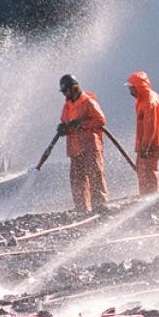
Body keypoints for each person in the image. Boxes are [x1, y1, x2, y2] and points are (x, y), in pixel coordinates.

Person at [57, 74, 108, 213]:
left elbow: (100, 120)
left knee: (95, 175)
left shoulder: (88, 102)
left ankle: (100, 206)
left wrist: (82, 124)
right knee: (77, 179)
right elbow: (66, 123)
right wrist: (62, 128)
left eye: (66, 91)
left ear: (74, 89)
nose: (64, 95)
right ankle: (81, 208)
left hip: (90, 146)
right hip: (75, 148)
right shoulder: (67, 106)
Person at [127, 71, 159, 195]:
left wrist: (145, 147)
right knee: (143, 170)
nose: (129, 91)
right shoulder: (146, 97)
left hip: (150, 143)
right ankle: (147, 196)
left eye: (131, 88)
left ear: (138, 87)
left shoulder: (148, 102)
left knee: (148, 171)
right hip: (149, 142)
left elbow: (150, 127)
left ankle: (151, 198)